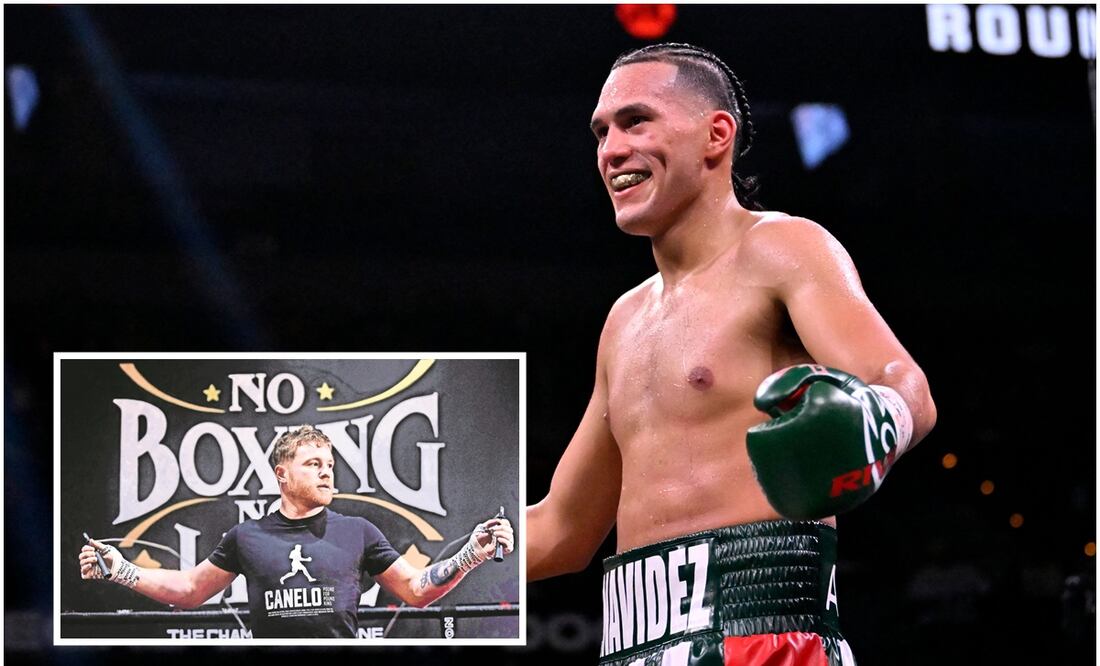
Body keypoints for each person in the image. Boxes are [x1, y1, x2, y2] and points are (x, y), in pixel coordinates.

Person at [527, 43, 936, 666]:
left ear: (716, 135)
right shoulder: (625, 319)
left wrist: (873, 419)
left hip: (764, 638)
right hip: (635, 647)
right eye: (601, 132)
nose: (610, 150)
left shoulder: (781, 248)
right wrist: (387, 556)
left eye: (636, 121)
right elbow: (562, 530)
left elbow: (903, 384)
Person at [79, 425, 514, 638]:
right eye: (314, 465)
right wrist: (120, 570)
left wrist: (472, 552)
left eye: (330, 465)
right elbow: (190, 589)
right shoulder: (245, 537)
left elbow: (418, 589)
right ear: (281, 474)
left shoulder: (358, 531)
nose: (327, 473)